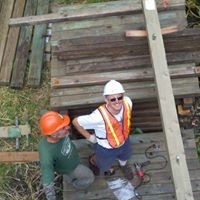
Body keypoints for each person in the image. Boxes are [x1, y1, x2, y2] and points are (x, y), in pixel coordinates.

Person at [72, 80, 133, 180]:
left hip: (125, 141)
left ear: (123, 95)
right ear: (106, 99)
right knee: (103, 164)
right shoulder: (98, 117)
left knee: (125, 156)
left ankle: (123, 166)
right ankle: (93, 161)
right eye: (112, 99)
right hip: (106, 148)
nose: (117, 101)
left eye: (119, 97)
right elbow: (76, 122)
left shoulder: (128, 103)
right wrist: (90, 138)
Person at [38, 111, 94, 200]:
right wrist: (51, 197)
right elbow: (47, 178)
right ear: (54, 134)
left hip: (71, 148)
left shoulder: (59, 134)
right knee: (90, 178)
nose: (68, 127)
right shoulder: (47, 155)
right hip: (71, 167)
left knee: (91, 142)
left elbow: (46, 116)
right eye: (63, 127)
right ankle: (74, 182)